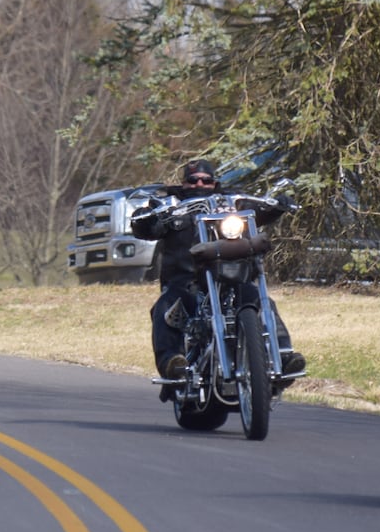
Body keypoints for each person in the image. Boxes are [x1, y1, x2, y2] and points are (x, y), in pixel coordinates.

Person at [131, 158, 305, 393]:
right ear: (184, 183)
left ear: (214, 183)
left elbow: (258, 212)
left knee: (261, 300)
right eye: (193, 180)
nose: (199, 184)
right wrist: (146, 217)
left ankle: (282, 355)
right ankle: (172, 361)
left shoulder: (230, 202)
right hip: (187, 282)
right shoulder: (172, 207)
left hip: (233, 277)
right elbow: (148, 228)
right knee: (166, 303)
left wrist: (276, 206)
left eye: (206, 180)